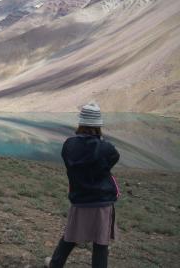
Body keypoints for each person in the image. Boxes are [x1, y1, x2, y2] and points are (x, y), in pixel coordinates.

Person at [45, 102, 120, 268]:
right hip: (102, 202)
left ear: (80, 123)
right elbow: (113, 158)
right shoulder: (106, 148)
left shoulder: (69, 145)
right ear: (98, 125)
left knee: (70, 236)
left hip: (79, 200)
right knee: (101, 244)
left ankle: (55, 264)